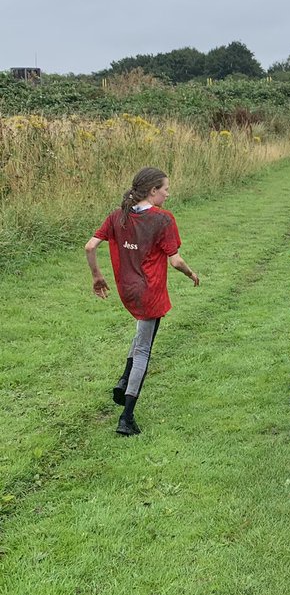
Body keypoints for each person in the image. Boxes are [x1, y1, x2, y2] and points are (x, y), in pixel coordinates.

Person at [84, 167, 199, 436]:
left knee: (141, 334)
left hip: (127, 289)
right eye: (165, 189)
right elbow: (176, 261)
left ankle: (124, 380)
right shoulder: (163, 220)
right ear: (152, 191)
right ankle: (126, 418)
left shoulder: (117, 215)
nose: (168, 195)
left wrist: (97, 276)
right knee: (144, 350)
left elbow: (90, 246)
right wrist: (191, 274)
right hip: (150, 291)